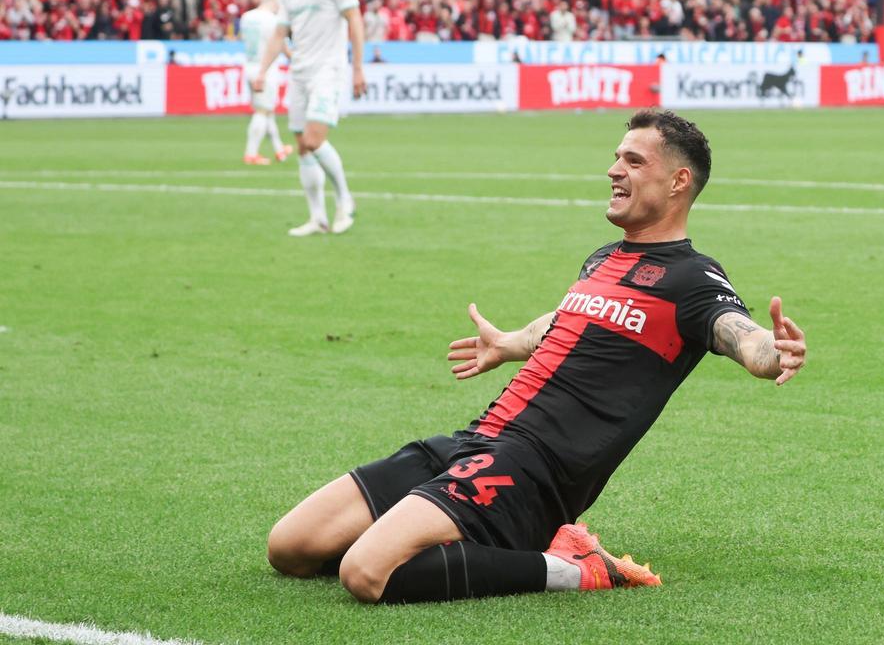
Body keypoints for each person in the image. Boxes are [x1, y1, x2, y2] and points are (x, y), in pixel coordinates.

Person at [266, 109, 808, 604]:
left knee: (365, 573)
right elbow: (565, 320)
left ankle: (574, 567)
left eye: (633, 161)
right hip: (478, 440)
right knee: (290, 547)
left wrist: (772, 350)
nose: (614, 170)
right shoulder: (604, 260)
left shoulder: (692, 279)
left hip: (531, 472)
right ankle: (439, 534)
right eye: (617, 157)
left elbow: (737, 334)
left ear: (678, 181)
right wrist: (508, 344)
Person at [253, 0, 366, 237]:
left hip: (327, 70)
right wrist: (262, 69)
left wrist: (357, 67)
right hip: (300, 72)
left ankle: (345, 199)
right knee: (303, 147)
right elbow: (280, 33)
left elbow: (354, 19)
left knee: (315, 139)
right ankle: (318, 218)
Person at [238, 0, 292, 166]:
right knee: (262, 111)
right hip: (265, 69)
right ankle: (251, 153)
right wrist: (295, 57)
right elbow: (280, 43)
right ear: (274, 4)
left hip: (249, 65)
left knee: (267, 110)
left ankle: (279, 149)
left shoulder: (246, 17)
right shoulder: (272, 19)